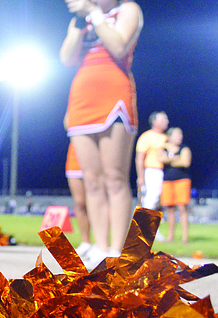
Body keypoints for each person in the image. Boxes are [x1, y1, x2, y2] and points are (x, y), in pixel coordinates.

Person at [60, 0, 143, 268]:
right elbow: (66, 58)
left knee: (115, 178)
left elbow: (119, 47)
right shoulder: (81, 20)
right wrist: (78, 21)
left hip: (113, 92)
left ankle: (116, 251)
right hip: (82, 96)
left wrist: (95, 15)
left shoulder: (128, 9)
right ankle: (99, 246)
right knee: (92, 180)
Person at [63, 111, 92, 261]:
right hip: (75, 156)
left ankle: (102, 245)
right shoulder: (78, 104)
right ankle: (86, 242)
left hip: (93, 154)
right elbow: (68, 123)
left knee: (96, 202)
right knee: (80, 203)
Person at [159, 127, 191, 244]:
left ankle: (185, 238)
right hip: (167, 181)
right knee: (170, 208)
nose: (180, 136)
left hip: (182, 181)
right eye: (177, 134)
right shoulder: (163, 148)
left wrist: (169, 159)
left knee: (182, 208)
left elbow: (185, 162)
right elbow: (160, 158)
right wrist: (175, 158)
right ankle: (170, 236)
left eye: (180, 134)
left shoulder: (184, 148)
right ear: (170, 136)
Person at [135, 111, 169, 210]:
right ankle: (143, 225)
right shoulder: (147, 136)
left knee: (159, 202)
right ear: (155, 122)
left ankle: (152, 225)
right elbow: (139, 158)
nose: (167, 122)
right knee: (150, 199)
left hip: (165, 172)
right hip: (152, 171)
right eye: (164, 119)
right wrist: (140, 177)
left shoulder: (166, 138)